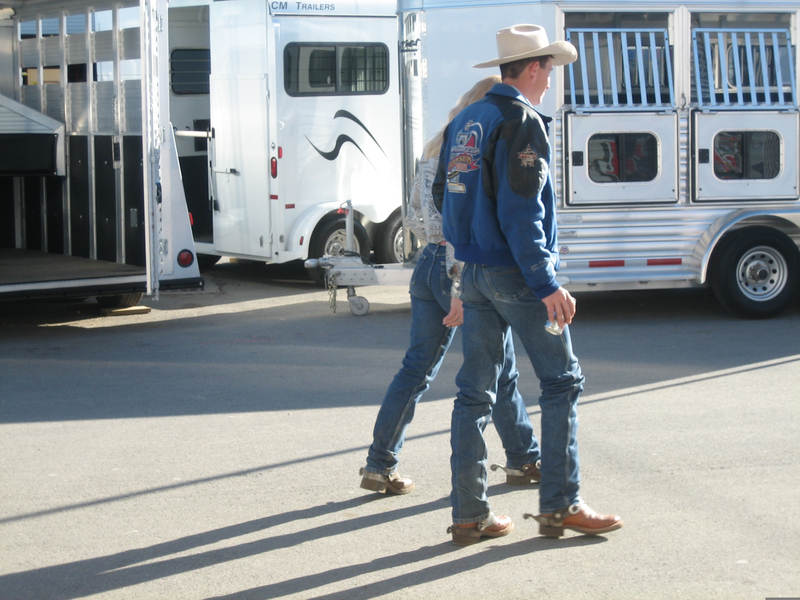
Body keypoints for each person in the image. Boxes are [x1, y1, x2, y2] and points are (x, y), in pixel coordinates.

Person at [434, 24, 623, 544]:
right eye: (551, 67)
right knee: (562, 382)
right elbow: (523, 212)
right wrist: (546, 283)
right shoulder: (520, 120)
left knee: (475, 394)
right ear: (535, 67)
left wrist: (466, 254)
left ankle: (470, 515)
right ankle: (561, 505)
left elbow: (442, 194)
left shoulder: (468, 118)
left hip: (475, 272)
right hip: (514, 273)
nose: (553, 77)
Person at [360, 76, 542, 503]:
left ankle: (379, 463)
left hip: (426, 264)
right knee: (500, 371)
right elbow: (459, 225)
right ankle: (523, 458)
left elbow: (415, 218)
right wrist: (458, 285)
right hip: (458, 267)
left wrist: (437, 252)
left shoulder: (433, 149)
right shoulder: (474, 152)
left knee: (416, 369)